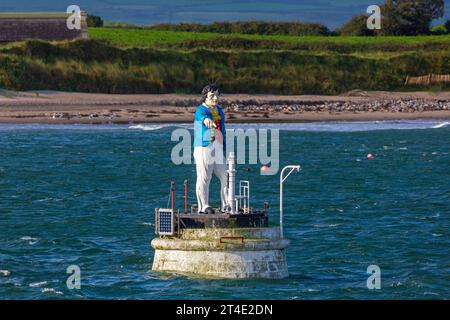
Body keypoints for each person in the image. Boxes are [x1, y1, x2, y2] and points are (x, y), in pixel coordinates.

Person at [193, 84, 227, 214]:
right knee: (204, 176)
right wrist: (206, 120)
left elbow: (222, 127)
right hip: (204, 147)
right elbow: (202, 118)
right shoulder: (201, 110)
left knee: (226, 175)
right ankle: (203, 206)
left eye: (217, 95)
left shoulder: (219, 110)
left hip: (218, 146)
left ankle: (227, 204)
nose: (215, 98)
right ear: (205, 98)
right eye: (212, 96)